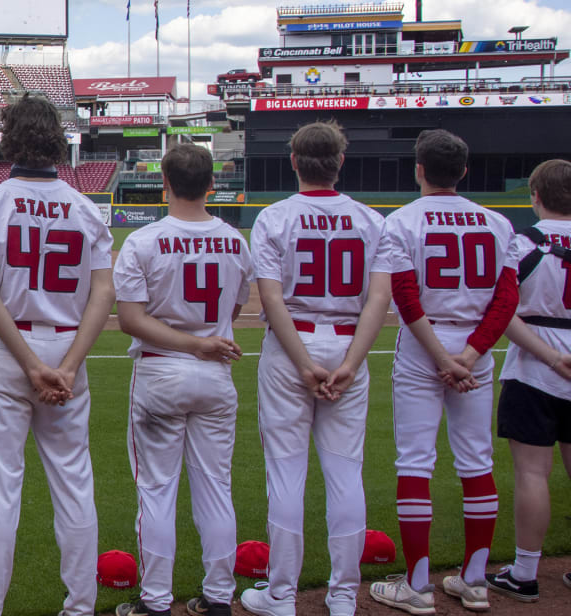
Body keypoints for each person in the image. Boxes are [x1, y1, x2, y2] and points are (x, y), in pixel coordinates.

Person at [0, 94, 114, 616]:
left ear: (9, 137)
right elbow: (103, 294)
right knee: (74, 482)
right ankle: (80, 606)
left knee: (1, 488)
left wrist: (30, 363)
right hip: (68, 346)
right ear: (55, 138)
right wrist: (67, 365)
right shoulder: (87, 208)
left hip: (11, 351)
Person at [366, 129, 518, 614]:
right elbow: (506, 299)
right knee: (477, 461)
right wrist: (470, 355)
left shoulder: (402, 222)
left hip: (423, 345)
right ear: (465, 171)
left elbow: (406, 297)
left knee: (415, 461)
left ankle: (418, 585)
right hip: (475, 343)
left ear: (418, 169)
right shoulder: (497, 223)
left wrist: (441, 357)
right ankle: (475, 581)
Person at [240, 122, 384, 616]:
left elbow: (272, 298)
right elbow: (378, 303)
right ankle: (343, 594)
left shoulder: (274, 218)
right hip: (348, 344)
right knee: (346, 474)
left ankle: (281, 595)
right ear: (340, 162)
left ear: (295, 161)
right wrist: (349, 365)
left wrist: (303, 363)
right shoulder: (371, 220)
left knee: (286, 472)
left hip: (292, 344)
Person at [113, 143, 253, 616]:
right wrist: (203, 340)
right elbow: (234, 308)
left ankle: (155, 602)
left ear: (165, 184)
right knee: (216, 487)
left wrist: (191, 342)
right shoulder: (235, 239)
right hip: (216, 371)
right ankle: (217, 599)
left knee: (156, 490)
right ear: (211, 183)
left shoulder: (144, 241)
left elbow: (130, 320)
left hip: (160, 369)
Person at [484, 158, 571, 603]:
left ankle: (524, 572)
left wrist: (553, 357)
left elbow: (503, 315)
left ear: (534, 196)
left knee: (533, 473)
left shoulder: (522, 245)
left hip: (535, 370)